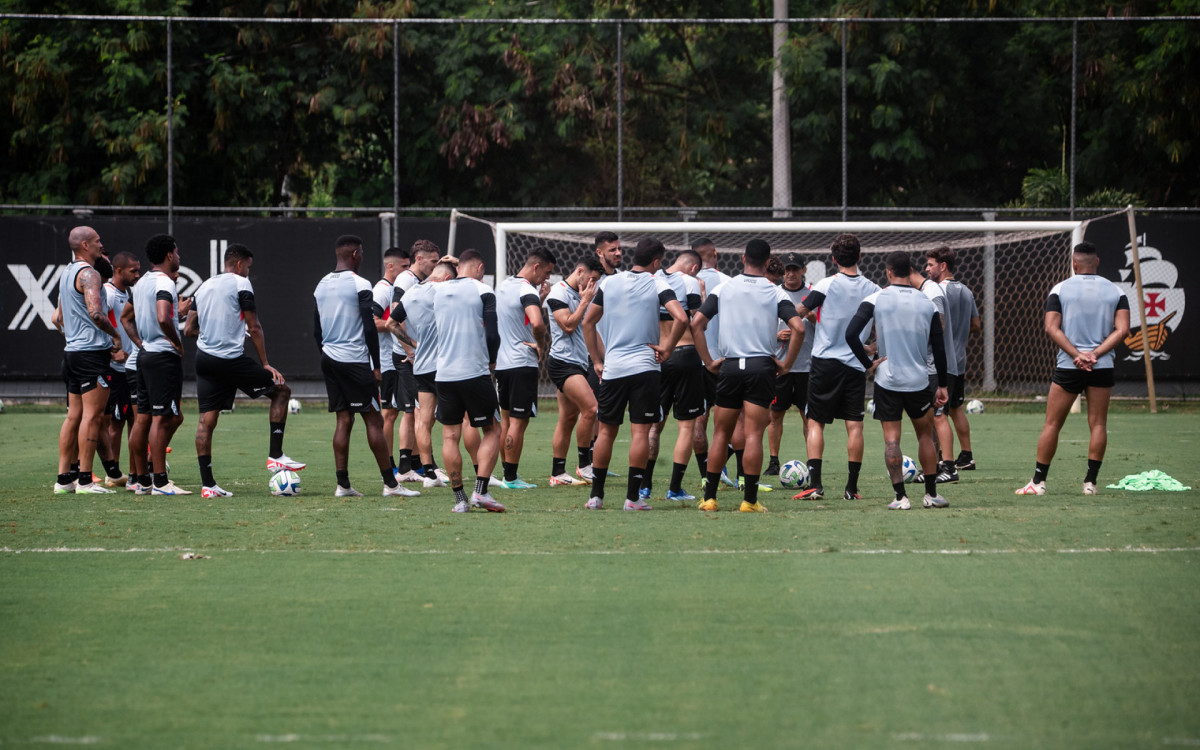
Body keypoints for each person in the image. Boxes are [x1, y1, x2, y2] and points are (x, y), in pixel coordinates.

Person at [183, 243, 305, 498]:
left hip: (204, 359)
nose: (248, 272)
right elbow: (255, 326)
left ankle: (208, 486)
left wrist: (216, 334)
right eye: (248, 267)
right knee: (282, 391)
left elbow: (189, 330)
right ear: (239, 265)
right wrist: (265, 364)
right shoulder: (241, 283)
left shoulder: (204, 285)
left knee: (207, 420)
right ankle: (275, 456)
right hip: (230, 360)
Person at [691, 240, 805, 512]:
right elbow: (798, 328)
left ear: (743, 258)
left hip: (730, 366)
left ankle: (709, 498)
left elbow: (697, 323)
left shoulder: (724, 287)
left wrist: (708, 361)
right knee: (753, 434)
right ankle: (750, 501)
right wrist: (786, 363)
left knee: (720, 433)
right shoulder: (774, 292)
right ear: (768, 262)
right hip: (760, 367)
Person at [581, 238, 688, 511]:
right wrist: (667, 347)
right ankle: (632, 499)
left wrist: (596, 360)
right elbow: (682, 318)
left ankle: (596, 497)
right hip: (645, 368)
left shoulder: (610, 282)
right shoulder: (657, 282)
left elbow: (587, 322)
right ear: (656, 262)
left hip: (614, 368)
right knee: (640, 431)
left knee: (605, 432)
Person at [1016, 241, 1130, 496]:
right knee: (1098, 424)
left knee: (1052, 424)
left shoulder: (1060, 289)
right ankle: (1090, 484)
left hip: (1069, 365)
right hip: (1102, 366)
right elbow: (1122, 330)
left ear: (1074, 264)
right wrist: (1095, 354)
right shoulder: (1116, 291)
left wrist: (1078, 355)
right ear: (1097, 262)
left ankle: (1038, 483)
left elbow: (1050, 327)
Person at [845, 251, 950, 510]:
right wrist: (944, 384)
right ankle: (931, 494)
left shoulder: (876, 298)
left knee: (892, 440)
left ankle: (901, 497)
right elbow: (939, 347)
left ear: (889, 272)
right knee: (926, 435)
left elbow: (850, 334)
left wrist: (868, 364)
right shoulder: (927, 303)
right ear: (911, 270)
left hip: (887, 381)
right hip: (919, 381)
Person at [313, 234, 412, 498]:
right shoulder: (360, 283)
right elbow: (369, 325)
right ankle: (391, 485)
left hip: (330, 358)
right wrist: (376, 366)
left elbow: (316, 329)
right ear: (356, 254)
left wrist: (325, 353)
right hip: (355, 361)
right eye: (362, 253)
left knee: (344, 419)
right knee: (374, 420)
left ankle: (342, 484)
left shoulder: (321, 285)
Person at [793, 233, 880, 501]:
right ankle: (851, 489)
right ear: (860, 257)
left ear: (833, 259)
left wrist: (807, 313)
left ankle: (815, 486)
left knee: (816, 422)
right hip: (854, 365)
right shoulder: (874, 289)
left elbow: (799, 310)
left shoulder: (826, 284)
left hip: (824, 363)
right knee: (854, 426)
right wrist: (872, 348)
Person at [431, 257, 506, 513]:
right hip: (474, 372)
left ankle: (460, 500)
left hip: (444, 374)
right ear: (480, 268)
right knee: (493, 430)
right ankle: (481, 492)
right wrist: (493, 362)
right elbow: (493, 333)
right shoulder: (482, 290)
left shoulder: (437, 290)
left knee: (450, 437)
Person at [53, 226, 123, 494]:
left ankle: (63, 480)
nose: (100, 244)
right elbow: (96, 313)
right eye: (97, 241)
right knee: (92, 417)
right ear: (85, 245)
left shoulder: (66, 273)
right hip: (92, 355)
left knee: (74, 416)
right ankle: (84, 480)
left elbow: (59, 318)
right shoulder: (89, 274)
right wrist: (115, 337)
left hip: (72, 353)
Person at [641, 248, 705, 503]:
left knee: (653, 425)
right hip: (685, 353)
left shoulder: (650, 279)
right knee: (686, 426)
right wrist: (701, 295)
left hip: (657, 356)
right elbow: (699, 322)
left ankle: (644, 486)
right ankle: (675, 488)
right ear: (693, 268)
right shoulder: (690, 282)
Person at [387, 259, 456, 489]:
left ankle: (429, 474)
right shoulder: (443, 289)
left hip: (422, 367)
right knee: (457, 420)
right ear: (447, 278)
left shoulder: (410, 293)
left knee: (423, 419)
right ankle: (468, 472)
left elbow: (391, 324)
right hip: (444, 366)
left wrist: (416, 344)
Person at [132, 234, 190, 495]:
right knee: (162, 418)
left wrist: (142, 341)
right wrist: (177, 344)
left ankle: (141, 481)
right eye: (177, 253)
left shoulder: (142, 281)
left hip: (145, 356)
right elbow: (162, 317)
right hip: (162, 356)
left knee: (143, 419)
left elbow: (128, 316)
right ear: (169, 255)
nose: (179, 257)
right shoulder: (165, 281)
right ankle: (161, 481)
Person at [494, 248, 556, 489]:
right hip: (522, 363)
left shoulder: (504, 285)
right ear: (536, 267)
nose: (546, 279)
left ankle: (505, 473)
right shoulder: (526, 289)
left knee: (506, 421)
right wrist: (541, 345)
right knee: (518, 424)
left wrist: (539, 298)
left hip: (502, 364)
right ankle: (511, 478)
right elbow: (537, 323)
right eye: (547, 273)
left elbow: (518, 317)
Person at [544, 255, 603, 486]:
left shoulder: (582, 296)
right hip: (562, 363)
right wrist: (584, 302)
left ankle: (558, 473)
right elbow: (568, 325)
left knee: (568, 419)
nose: (593, 284)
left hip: (577, 362)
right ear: (580, 271)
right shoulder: (558, 293)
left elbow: (590, 328)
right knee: (591, 409)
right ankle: (585, 465)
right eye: (592, 278)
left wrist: (600, 359)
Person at [925, 246, 982, 472]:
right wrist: (959, 337)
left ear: (943, 266)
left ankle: (940, 458)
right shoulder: (966, 291)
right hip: (959, 361)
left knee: (937, 412)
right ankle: (966, 455)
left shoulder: (936, 291)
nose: (926, 269)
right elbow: (976, 325)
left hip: (940, 363)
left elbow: (936, 325)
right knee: (956, 407)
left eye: (930, 265)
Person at [390, 240, 442, 483]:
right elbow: (395, 315)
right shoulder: (406, 281)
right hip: (409, 358)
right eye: (433, 261)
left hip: (418, 357)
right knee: (415, 412)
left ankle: (418, 465)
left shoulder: (422, 283)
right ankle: (408, 468)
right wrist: (410, 349)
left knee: (419, 413)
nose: (436, 265)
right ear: (419, 259)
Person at [691, 236, 737, 487]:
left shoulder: (683, 281)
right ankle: (729, 473)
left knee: (699, 421)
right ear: (716, 253)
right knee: (736, 421)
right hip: (722, 360)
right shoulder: (728, 283)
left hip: (692, 360)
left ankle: (704, 475)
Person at [767, 252, 814, 476]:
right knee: (775, 414)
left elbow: (828, 329)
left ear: (804, 270)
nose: (791, 273)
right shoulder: (773, 294)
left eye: (795, 269)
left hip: (807, 366)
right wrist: (777, 335)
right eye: (787, 269)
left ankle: (812, 460)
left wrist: (815, 319)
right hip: (780, 364)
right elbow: (761, 326)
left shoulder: (813, 295)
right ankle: (773, 461)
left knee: (809, 416)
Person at [103, 251, 141, 488]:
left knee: (133, 420)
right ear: (118, 270)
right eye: (133, 271)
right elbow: (92, 320)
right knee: (115, 423)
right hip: (114, 369)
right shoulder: (107, 292)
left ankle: (133, 474)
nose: (137, 275)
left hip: (129, 367)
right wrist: (111, 351)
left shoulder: (128, 293)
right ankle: (113, 473)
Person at [372, 246, 409, 478]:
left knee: (400, 411)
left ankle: (408, 464)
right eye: (404, 266)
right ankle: (389, 466)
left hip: (394, 361)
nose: (407, 271)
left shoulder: (398, 289)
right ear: (390, 266)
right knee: (389, 414)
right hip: (386, 362)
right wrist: (393, 323)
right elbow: (371, 320)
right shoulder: (383, 289)